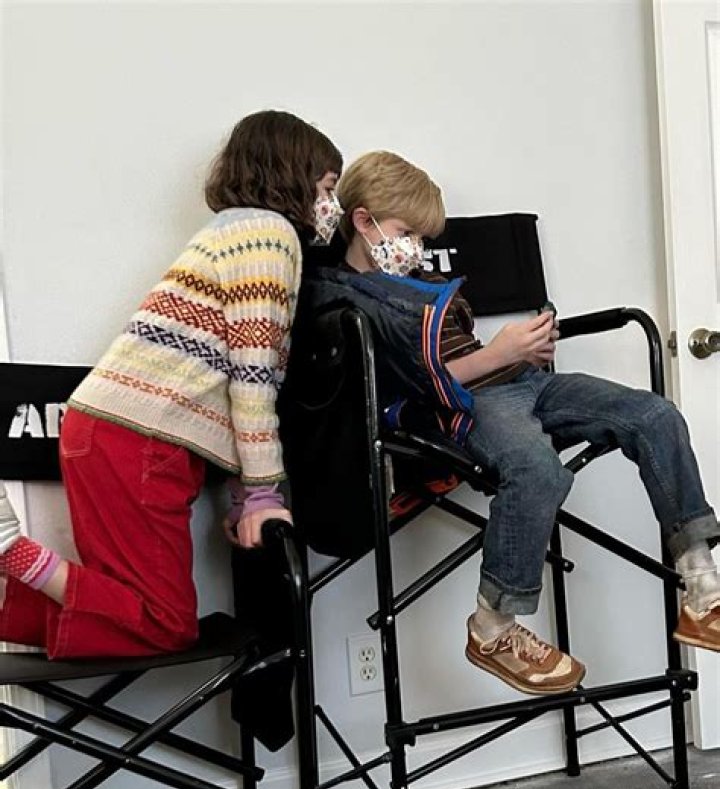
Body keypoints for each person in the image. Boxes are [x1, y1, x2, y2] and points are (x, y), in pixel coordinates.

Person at [300, 150, 720, 696]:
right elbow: (412, 387)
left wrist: (525, 349)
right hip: (465, 404)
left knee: (654, 414)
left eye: (424, 238)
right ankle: (492, 627)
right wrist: (500, 353)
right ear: (363, 221)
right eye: (408, 233)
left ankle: (702, 588)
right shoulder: (342, 296)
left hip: (520, 382)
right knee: (536, 469)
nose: (417, 248)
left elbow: (474, 352)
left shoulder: (410, 280)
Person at [0, 110, 343, 659]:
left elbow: (229, 366)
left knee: (137, 612)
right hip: (136, 443)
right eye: (327, 188)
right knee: (166, 624)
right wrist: (261, 492)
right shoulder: (269, 234)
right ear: (294, 176)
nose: (332, 206)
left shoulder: (230, 230)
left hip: (109, 434)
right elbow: (253, 375)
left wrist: (243, 491)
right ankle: (11, 555)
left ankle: (6, 601)